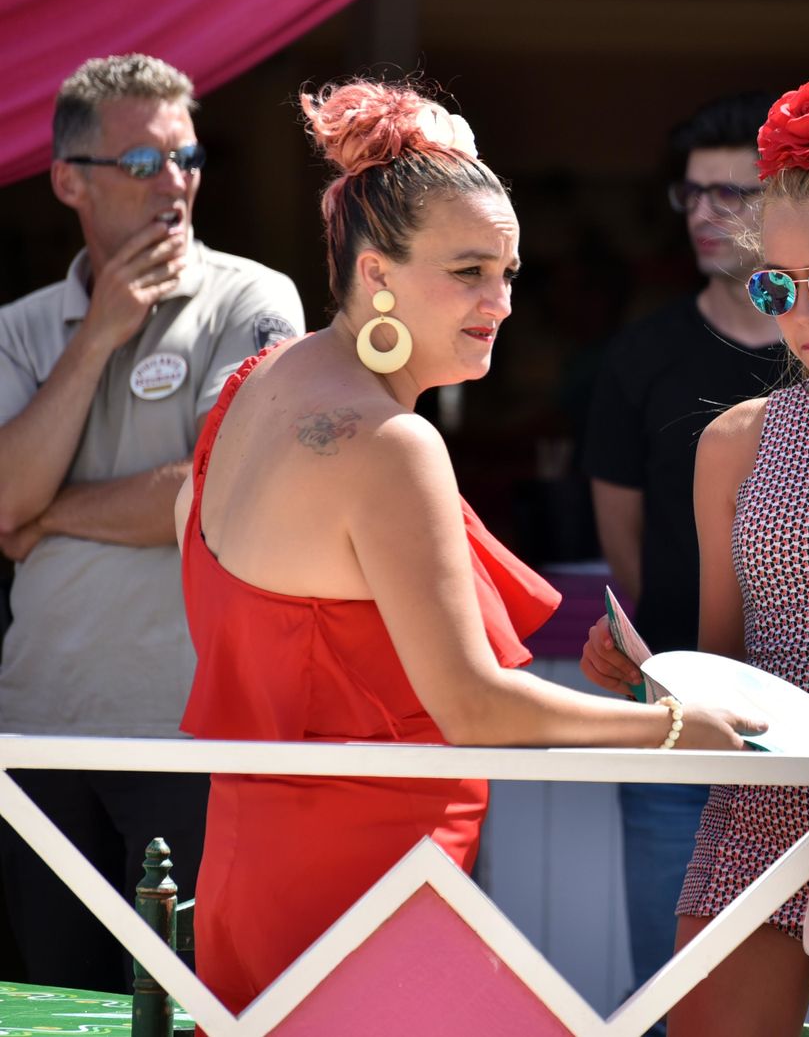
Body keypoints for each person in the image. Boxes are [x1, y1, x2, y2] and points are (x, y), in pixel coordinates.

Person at [175, 79, 756, 1016]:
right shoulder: (391, 441)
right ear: (375, 276)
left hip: (253, 872)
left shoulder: (251, 387)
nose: (501, 301)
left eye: (509, 273)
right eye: (468, 271)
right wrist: (678, 729)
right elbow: (474, 706)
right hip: (365, 894)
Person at [583, 71, 809, 1037]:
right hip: (755, 811)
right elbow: (723, 667)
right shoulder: (733, 441)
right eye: (775, 286)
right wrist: (646, 680)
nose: (804, 313)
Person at [0, 54, 304, 993]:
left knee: (186, 1002)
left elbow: (220, 495)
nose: (175, 184)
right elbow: (3, 504)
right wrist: (96, 337)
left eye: (189, 157)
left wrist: (44, 513)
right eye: (142, 163)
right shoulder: (23, 326)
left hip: (191, 733)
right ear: (68, 181)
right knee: (56, 1003)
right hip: (39, 728)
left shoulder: (254, 300)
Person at [581, 91, 785, 1008]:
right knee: (676, 996)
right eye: (692, 194)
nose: (705, 214)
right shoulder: (641, 356)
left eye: (732, 194)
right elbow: (624, 544)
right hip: (678, 719)